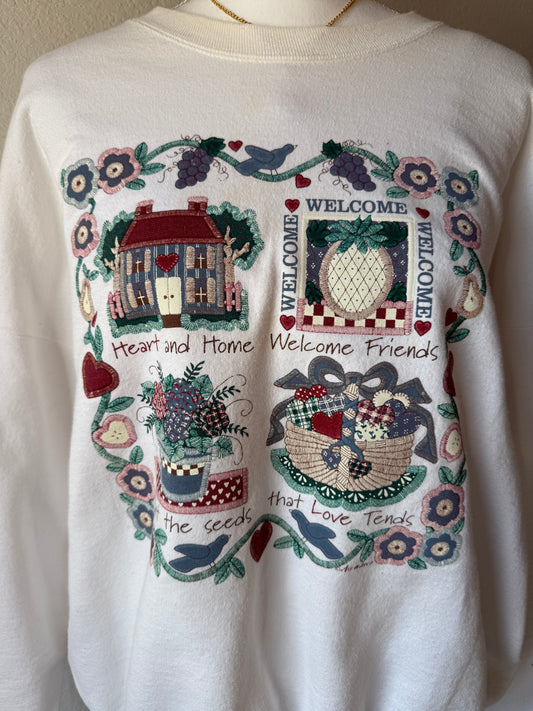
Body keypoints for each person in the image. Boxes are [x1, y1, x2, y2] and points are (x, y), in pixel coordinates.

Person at [0, 1, 531, 709]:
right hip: (156, 675)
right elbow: (23, 423)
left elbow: (512, 404)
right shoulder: (65, 99)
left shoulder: (495, 92)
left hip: (419, 671)